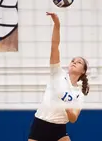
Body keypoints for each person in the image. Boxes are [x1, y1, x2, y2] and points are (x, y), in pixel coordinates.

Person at [28, 12, 90, 141]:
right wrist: (57, 24)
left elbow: (73, 119)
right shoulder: (58, 73)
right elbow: (54, 46)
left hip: (59, 128)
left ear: (83, 71)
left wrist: (66, 105)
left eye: (79, 62)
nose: (74, 62)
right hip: (41, 123)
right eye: (73, 60)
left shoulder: (79, 94)